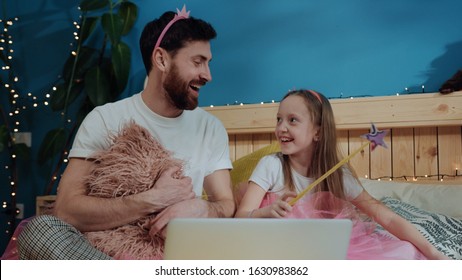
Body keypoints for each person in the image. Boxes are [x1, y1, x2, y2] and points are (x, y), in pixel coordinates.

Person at [15, 6, 235, 259]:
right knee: (40, 230)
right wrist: (153, 199)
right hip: (101, 253)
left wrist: (203, 209)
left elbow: (226, 203)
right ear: (162, 59)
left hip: (173, 255)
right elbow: (67, 210)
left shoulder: (210, 128)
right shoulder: (105, 119)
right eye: (197, 62)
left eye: (207, 63)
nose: (207, 75)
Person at [234, 89, 448, 260]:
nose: (281, 128)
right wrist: (266, 213)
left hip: (325, 251)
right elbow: (241, 217)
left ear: (318, 131)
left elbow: (387, 217)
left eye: (292, 120)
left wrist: (433, 252)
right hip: (280, 250)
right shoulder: (271, 165)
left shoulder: (337, 175)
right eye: (279, 119)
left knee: (403, 253)